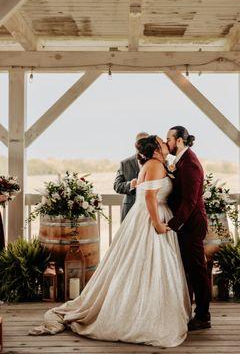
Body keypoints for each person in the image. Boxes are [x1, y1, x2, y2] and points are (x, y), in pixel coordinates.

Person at [29, 135, 191, 348]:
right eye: (161, 142)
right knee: (150, 263)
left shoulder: (157, 164)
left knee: (143, 265)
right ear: (154, 150)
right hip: (150, 220)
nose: (164, 144)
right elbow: (150, 198)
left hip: (147, 216)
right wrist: (158, 225)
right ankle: (142, 316)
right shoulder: (154, 166)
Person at [166, 126, 211, 331]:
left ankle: (203, 316)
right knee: (189, 270)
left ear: (180, 141)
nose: (167, 143)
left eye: (169, 139)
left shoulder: (190, 163)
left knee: (197, 271)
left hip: (192, 223)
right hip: (187, 223)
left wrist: (174, 223)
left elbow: (190, 200)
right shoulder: (181, 160)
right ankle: (192, 312)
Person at [114, 132, 149, 222]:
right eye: (141, 142)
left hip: (150, 210)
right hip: (130, 209)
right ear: (135, 144)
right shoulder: (125, 163)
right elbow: (117, 185)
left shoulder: (157, 161)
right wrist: (130, 185)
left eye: (146, 142)